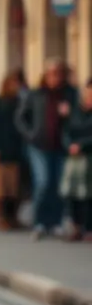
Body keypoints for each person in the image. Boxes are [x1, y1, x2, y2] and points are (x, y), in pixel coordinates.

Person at [15, 58, 76, 239]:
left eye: (58, 73)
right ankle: (40, 222)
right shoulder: (36, 94)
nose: (54, 77)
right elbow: (20, 118)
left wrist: (68, 114)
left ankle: (55, 222)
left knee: (57, 184)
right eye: (51, 74)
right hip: (38, 145)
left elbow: (79, 118)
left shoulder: (70, 94)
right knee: (42, 182)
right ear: (45, 75)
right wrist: (30, 135)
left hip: (60, 145)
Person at [0, 73, 24, 230]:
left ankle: (13, 217)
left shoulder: (19, 102)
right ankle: (0, 218)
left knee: (14, 188)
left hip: (16, 149)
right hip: (1, 149)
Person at [60, 79, 92, 241]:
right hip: (73, 158)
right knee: (73, 194)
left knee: (88, 195)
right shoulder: (75, 111)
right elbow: (66, 130)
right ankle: (76, 226)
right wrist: (69, 145)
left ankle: (89, 228)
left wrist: (83, 145)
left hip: (89, 156)